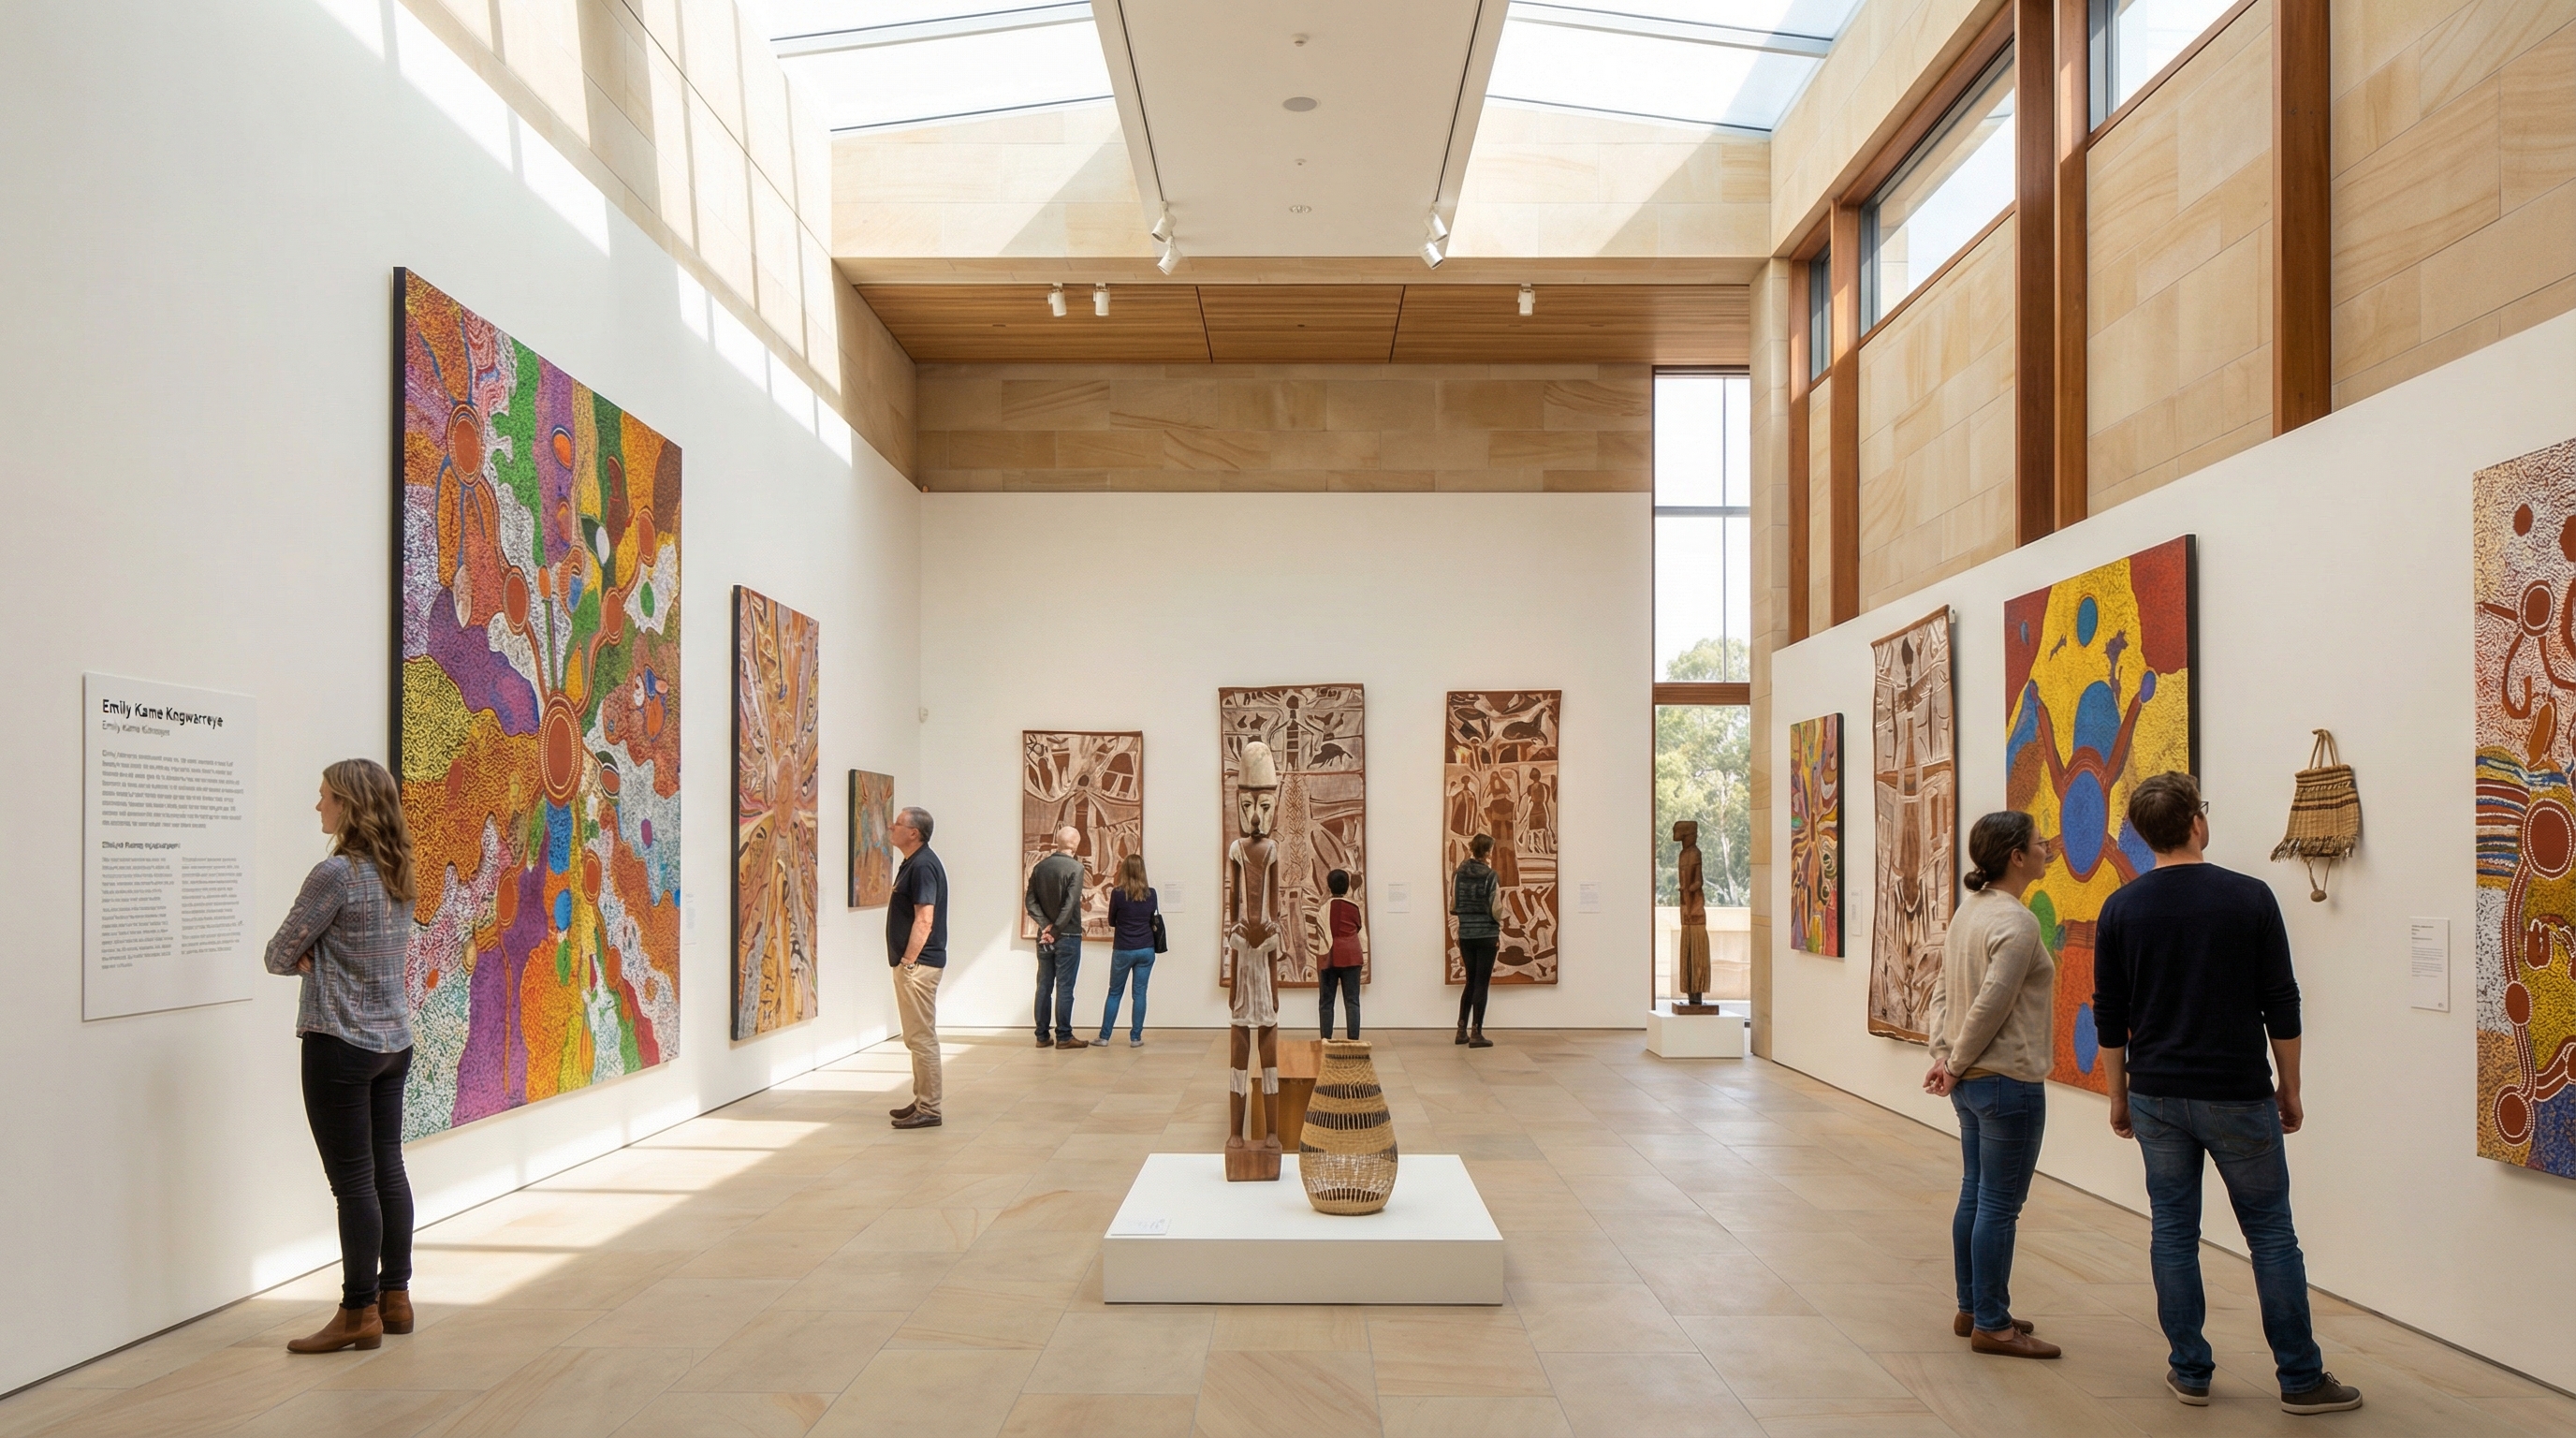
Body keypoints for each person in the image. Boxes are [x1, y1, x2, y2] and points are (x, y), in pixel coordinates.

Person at [2095, 771, 2363, 1416]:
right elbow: (2282, 1003)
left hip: (2157, 1093)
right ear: (2196, 823)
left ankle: (2190, 1370)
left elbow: (2110, 1015)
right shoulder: (2249, 898)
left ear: (2140, 833)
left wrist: (2117, 1095)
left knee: (2173, 1231)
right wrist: (2289, 1087)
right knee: (2270, 1235)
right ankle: (2300, 1378)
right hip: (2238, 1093)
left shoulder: (2121, 909)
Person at [262, 758, 418, 1355]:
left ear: (348, 806)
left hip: (340, 1044)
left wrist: (309, 955)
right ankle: (395, 1298)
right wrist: (314, 951)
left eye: (324, 795)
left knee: (352, 1184)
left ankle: (358, 1313)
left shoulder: (335, 875)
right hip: (392, 1044)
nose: (317, 806)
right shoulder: (397, 869)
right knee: (387, 1171)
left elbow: (278, 952)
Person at [1923, 811, 2058, 1360]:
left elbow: (1944, 994)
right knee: (1999, 1204)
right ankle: (1994, 1324)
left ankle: (1972, 1307)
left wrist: (1944, 1055)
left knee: (1976, 1193)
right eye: (2037, 842)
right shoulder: (2018, 922)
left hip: (1972, 1081)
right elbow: (1987, 1006)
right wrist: (1952, 1061)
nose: (2046, 847)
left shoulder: (1969, 911)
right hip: (2006, 1081)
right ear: (2016, 858)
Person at [886, 806, 947, 1130]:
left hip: (919, 965)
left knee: (921, 1038)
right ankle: (922, 1098)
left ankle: (930, 1107)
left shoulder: (923, 865)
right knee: (915, 1037)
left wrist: (908, 961)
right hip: (917, 964)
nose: (890, 827)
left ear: (914, 833)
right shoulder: (914, 862)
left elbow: (925, 918)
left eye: (897, 824)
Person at [1027, 825, 1088, 1049]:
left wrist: (1045, 927)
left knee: (1043, 984)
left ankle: (1042, 1036)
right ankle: (1064, 1036)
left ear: (1057, 841)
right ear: (1077, 844)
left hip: (1044, 937)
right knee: (1065, 987)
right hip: (1068, 935)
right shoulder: (1076, 868)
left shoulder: (1040, 867)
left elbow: (1030, 902)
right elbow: (1070, 904)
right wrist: (1055, 931)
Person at [1099, 853, 1157, 1048]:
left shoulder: (1117, 894)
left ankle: (1105, 1037)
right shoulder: (1152, 894)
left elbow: (1111, 921)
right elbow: (1152, 919)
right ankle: (1135, 1038)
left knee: (1115, 992)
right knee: (1140, 993)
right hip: (1146, 949)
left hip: (1123, 948)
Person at [1453, 833, 1500, 1048]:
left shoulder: (1459, 874)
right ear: (1488, 851)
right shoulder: (1490, 876)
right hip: (1486, 934)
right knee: (1482, 982)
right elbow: (1496, 908)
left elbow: (1455, 904)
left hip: (1466, 934)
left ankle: (1461, 1029)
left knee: (1470, 981)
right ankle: (1476, 1033)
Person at [1316, 868, 1365, 1039]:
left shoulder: (1323, 908)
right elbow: (1358, 927)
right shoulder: (1354, 907)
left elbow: (1319, 930)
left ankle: (1326, 1040)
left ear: (1329, 886)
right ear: (1347, 886)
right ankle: (1353, 1041)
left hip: (1328, 956)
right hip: (1352, 955)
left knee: (1326, 1002)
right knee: (1352, 1002)